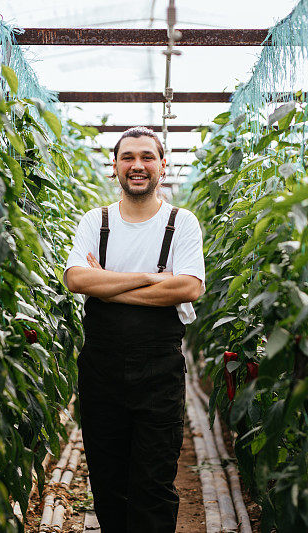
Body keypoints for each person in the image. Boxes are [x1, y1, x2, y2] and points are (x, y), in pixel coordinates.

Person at [63, 126, 205, 532]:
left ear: (163, 166)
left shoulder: (182, 223)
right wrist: (156, 280)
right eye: (128, 157)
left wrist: (109, 282)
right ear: (115, 167)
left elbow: (190, 287)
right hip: (101, 372)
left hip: (159, 373)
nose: (137, 165)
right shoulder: (97, 221)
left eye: (147, 157)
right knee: (108, 482)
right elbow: (77, 279)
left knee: (154, 483)